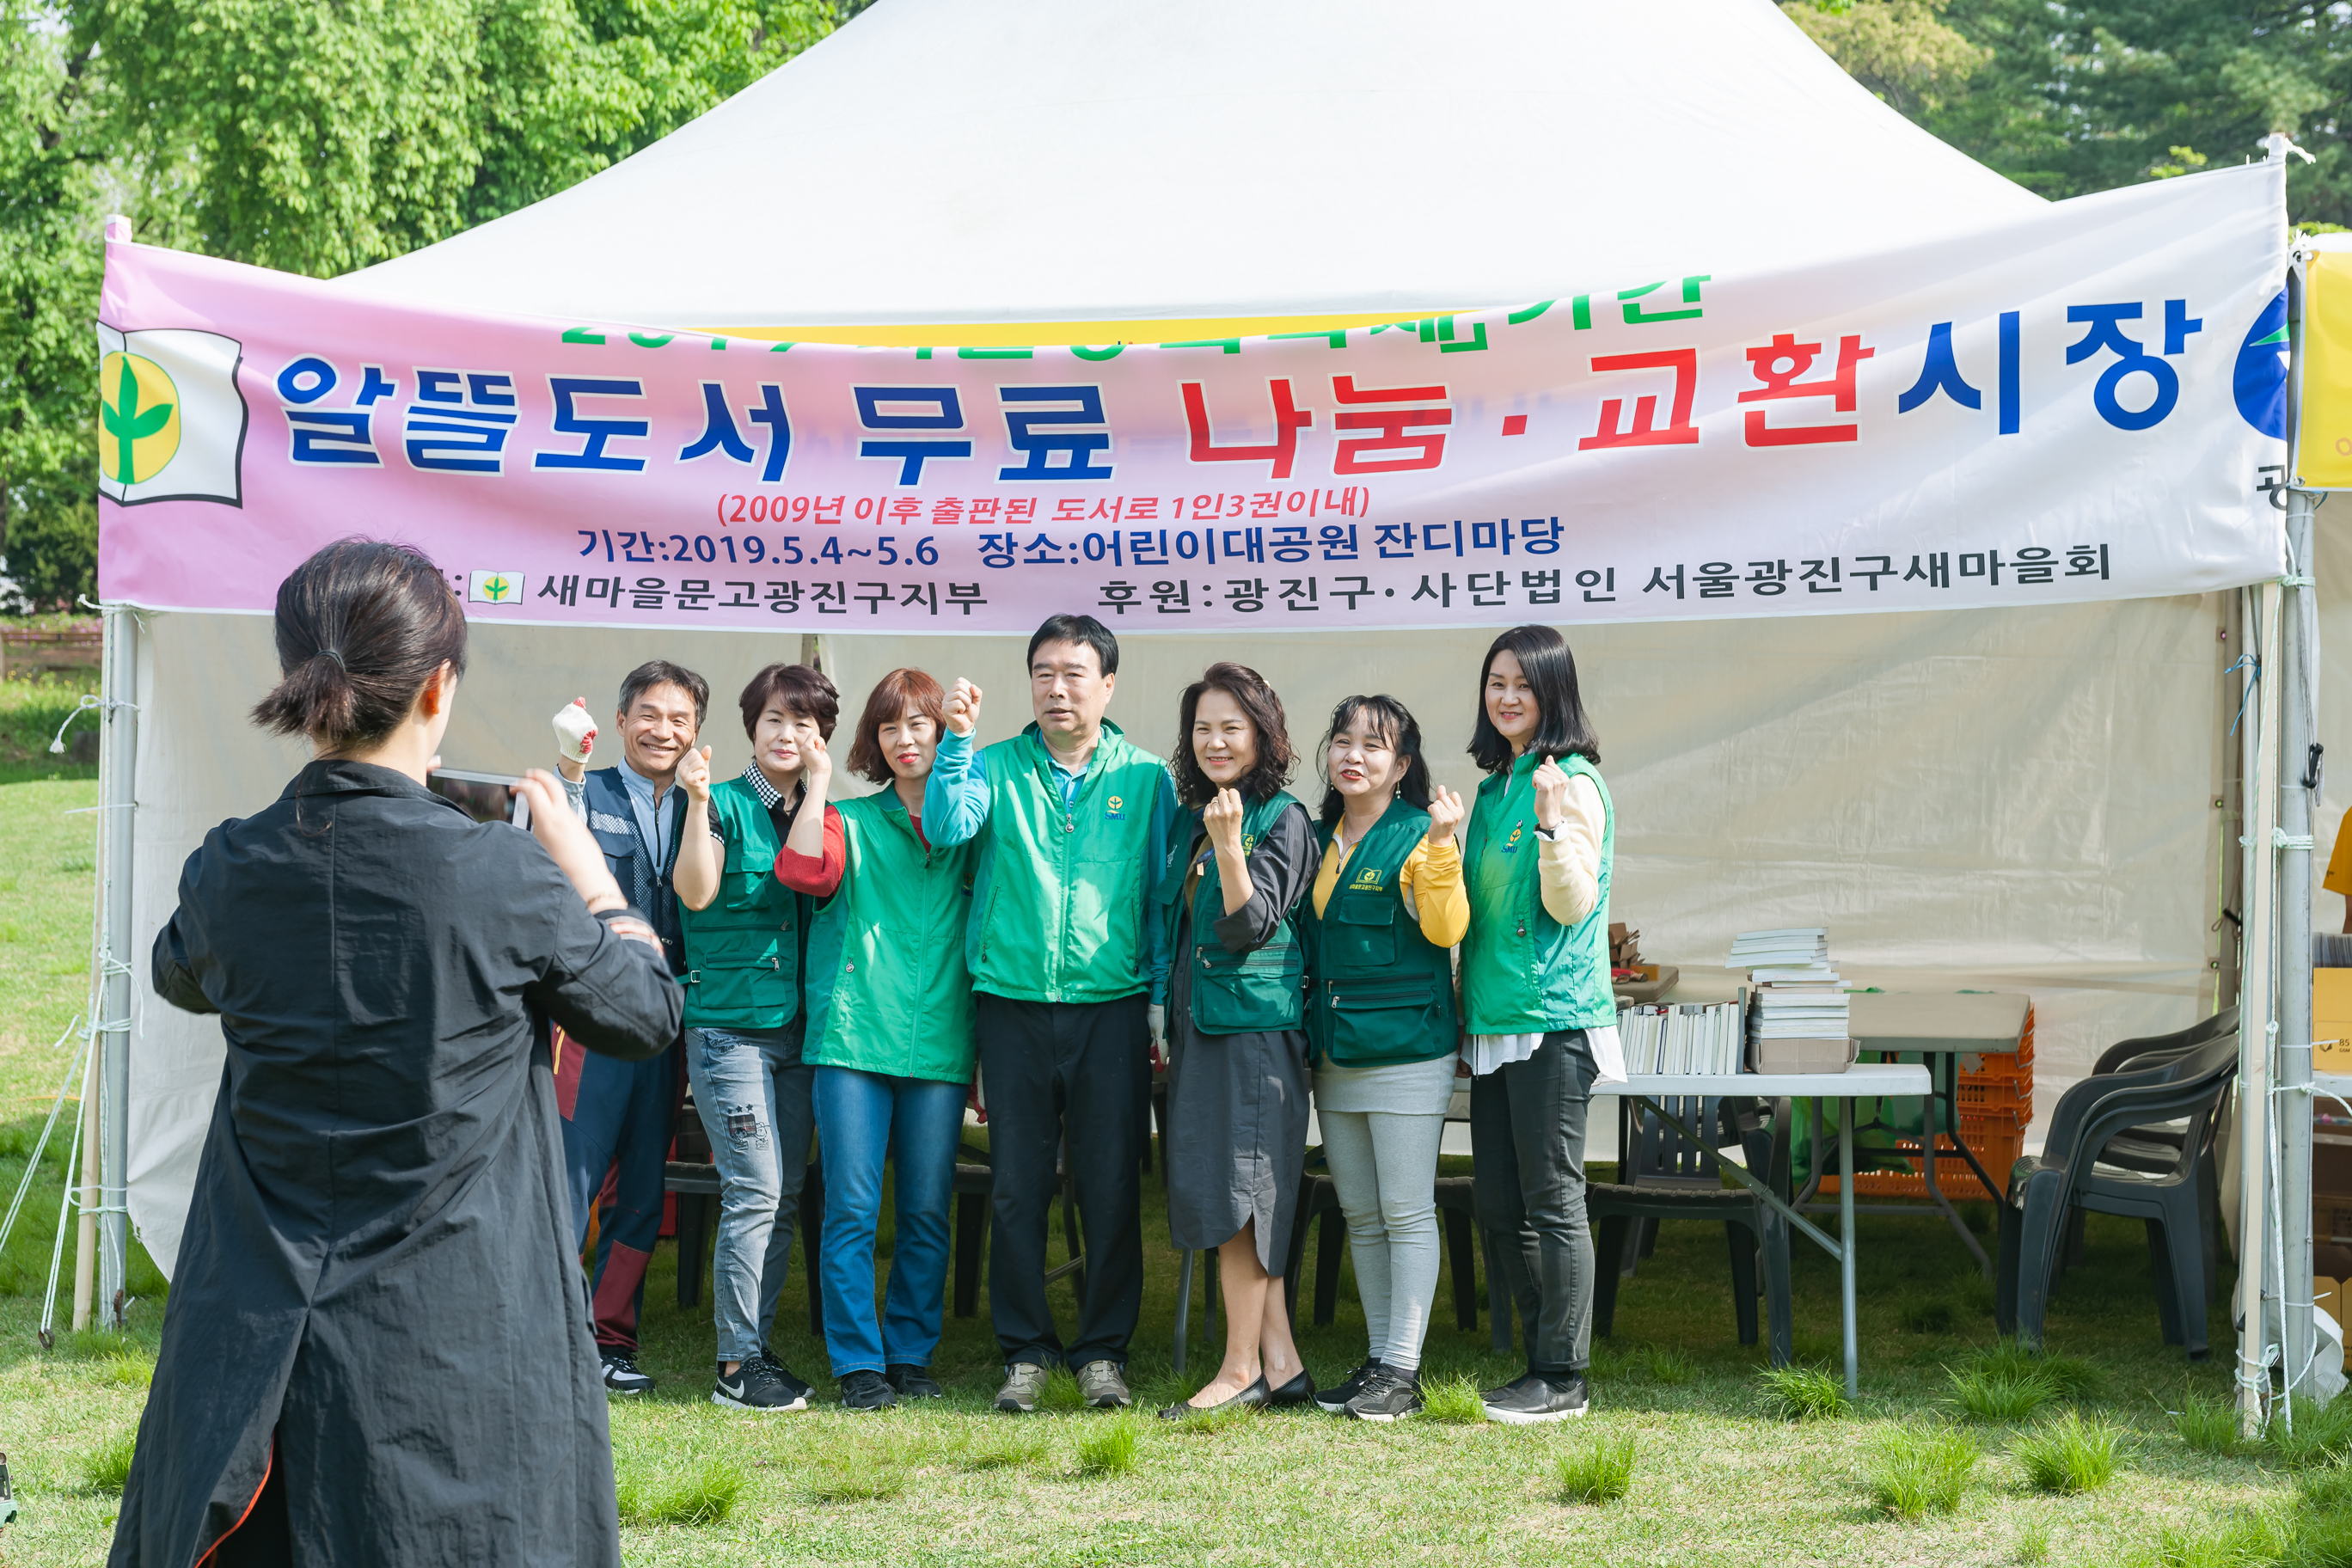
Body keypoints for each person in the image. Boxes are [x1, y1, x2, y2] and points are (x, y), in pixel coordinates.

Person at [115, 539, 680, 1568]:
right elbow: (641, 1012)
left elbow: (177, 971)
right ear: (439, 685)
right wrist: (596, 881)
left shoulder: (233, 866)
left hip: (258, 1337)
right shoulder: (502, 875)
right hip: (452, 1341)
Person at [927, 614, 1179, 1414]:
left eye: (1074, 673)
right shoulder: (993, 765)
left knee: (1109, 1185)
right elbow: (944, 827)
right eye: (1043, 672)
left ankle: (1103, 1352)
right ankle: (1027, 1351)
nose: (1057, 688)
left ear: (1108, 684)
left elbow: (1161, 899)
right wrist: (957, 742)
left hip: (1111, 1008)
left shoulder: (1145, 778)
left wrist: (1159, 1003)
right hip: (1012, 1004)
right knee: (1018, 1186)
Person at [790, 669, 979, 1410]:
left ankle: (909, 1351)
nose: (906, 740)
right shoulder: (848, 820)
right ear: (875, 738)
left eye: (920, 725)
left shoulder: (971, 817)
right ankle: (858, 1360)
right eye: (891, 727)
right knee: (853, 1208)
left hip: (941, 1037)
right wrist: (816, 783)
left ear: (943, 732)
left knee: (929, 1208)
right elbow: (805, 871)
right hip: (853, 1038)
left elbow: (952, 825)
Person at [1460, 624, 1626, 1424]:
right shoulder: (1493, 791)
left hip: (1554, 1022)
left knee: (1553, 1200)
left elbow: (1571, 903)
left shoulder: (1575, 783)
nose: (1507, 697)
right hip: (1493, 1023)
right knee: (1499, 1203)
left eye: (1524, 684)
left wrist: (1556, 820)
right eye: (1497, 682)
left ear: (1554, 692)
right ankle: (1536, 1362)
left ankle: (1565, 1375)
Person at [671, 662, 842, 1412]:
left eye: (804, 723)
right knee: (756, 1189)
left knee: (785, 1194)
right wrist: (697, 802)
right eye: (775, 719)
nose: (788, 734)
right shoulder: (723, 805)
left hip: (801, 1032)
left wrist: (821, 785)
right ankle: (736, 1368)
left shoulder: (821, 811)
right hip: (728, 1031)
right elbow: (697, 891)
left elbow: (812, 878)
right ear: (751, 728)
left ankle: (757, 1349)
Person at [1153, 662, 1319, 1418]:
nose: (1215, 741)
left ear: (1262, 733)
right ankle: (1281, 1365)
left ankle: (1238, 1368)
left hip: (1254, 1038)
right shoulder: (1200, 817)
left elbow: (1250, 927)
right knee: (1229, 1192)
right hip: (1205, 1033)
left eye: (1232, 727)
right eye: (1203, 728)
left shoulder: (1283, 819)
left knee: (1246, 1200)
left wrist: (1227, 848)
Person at [1302, 695, 1467, 1422]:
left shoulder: (1419, 834)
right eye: (1343, 741)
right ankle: (1378, 1362)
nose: (1353, 756)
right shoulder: (1314, 837)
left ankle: (1403, 1370)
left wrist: (1440, 846)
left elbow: (1446, 926)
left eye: (1374, 746)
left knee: (1404, 1212)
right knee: (1361, 1215)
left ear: (1401, 767)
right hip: (1334, 1052)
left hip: (1407, 1050)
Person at [550, 661, 709, 1394]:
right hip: (589, 1011)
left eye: (679, 720)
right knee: (571, 1178)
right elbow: (557, 848)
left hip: (663, 1016)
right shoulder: (588, 788)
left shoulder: (701, 804)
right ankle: (549, 1332)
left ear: (697, 733)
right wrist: (569, 766)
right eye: (650, 714)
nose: (663, 731)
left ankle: (610, 1339)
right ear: (620, 722)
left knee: (643, 1185)